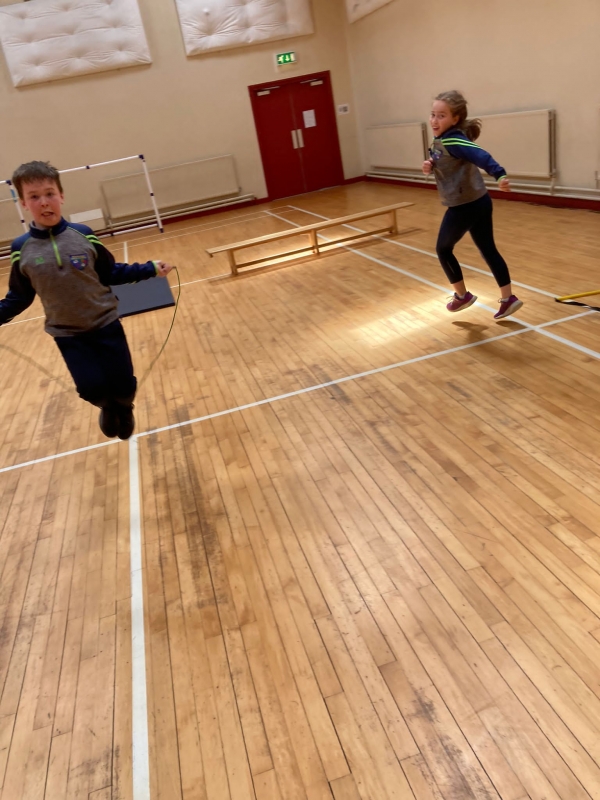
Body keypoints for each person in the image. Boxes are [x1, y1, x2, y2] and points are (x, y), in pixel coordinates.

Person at [0, 160, 173, 439]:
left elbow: (111, 272)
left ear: (61, 196)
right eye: (34, 197)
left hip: (105, 323)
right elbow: (18, 296)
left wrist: (150, 268)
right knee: (90, 389)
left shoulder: (83, 235)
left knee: (124, 385)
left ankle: (124, 406)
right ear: (23, 203)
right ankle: (107, 407)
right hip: (67, 334)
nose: (44, 202)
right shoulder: (22, 249)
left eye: (49, 193)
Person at [423, 90, 522, 320]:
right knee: (488, 249)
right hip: (480, 201)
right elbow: (444, 158)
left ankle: (462, 296)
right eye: (433, 114)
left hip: (464, 206)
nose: (435, 120)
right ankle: (508, 299)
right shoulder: (443, 139)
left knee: (443, 249)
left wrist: (499, 174)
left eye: (441, 116)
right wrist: (430, 164)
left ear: (455, 119)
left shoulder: (454, 140)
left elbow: (480, 155)